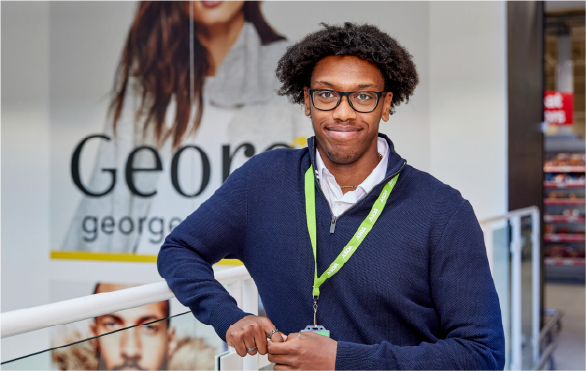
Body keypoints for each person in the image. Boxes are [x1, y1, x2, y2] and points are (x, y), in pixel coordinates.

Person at [157, 22, 505, 371]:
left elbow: (482, 355)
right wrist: (228, 316)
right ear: (307, 101)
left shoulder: (443, 212)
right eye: (327, 94)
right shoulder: (263, 181)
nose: (342, 112)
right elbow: (180, 249)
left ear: (386, 105)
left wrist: (341, 360)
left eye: (363, 96)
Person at [61, 0, 310, 254]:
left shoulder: (290, 75)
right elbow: (104, 208)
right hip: (147, 279)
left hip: (239, 282)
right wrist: (109, 282)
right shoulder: (148, 81)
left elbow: (309, 211)